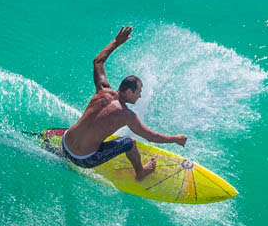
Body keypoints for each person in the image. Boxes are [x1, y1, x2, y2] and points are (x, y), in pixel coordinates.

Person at [61, 26, 188, 181]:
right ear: (128, 91)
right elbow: (150, 136)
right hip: (82, 159)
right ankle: (140, 172)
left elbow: (98, 62)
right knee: (129, 142)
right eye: (138, 92)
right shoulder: (127, 115)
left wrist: (116, 42)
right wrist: (175, 139)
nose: (140, 96)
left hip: (65, 144)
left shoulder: (102, 90)